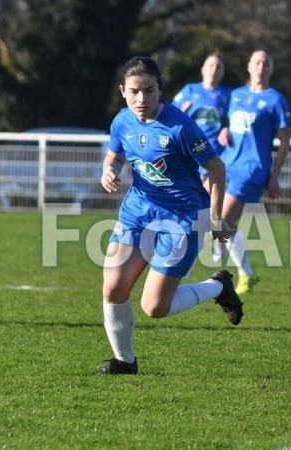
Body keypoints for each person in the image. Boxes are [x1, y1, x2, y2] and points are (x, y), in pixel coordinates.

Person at [99, 56, 243, 375]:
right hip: (138, 210)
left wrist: (217, 217)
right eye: (134, 91)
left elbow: (216, 169)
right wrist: (109, 171)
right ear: (123, 90)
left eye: (149, 91)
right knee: (113, 287)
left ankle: (219, 287)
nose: (142, 99)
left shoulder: (180, 126)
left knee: (155, 307)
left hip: (182, 217)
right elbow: (114, 156)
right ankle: (125, 361)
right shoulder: (122, 121)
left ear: (160, 90)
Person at [217, 49, 291, 294]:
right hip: (227, 162)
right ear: (249, 66)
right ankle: (221, 253)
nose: (261, 66)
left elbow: (285, 142)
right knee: (211, 216)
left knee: (224, 220)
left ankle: (246, 273)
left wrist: (274, 176)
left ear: (271, 68)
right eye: (258, 62)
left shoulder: (276, 100)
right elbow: (231, 125)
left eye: (266, 63)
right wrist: (224, 131)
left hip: (252, 169)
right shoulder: (236, 95)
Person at [172, 50, 232, 189]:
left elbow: (235, 121)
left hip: (217, 155)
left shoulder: (228, 94)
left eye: (218, 67)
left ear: (223, 72)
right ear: (203, 69)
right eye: (211, 65)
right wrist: (181, 112)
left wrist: (227, 128)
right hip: (191, 155)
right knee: (195, 202)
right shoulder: (189, 91)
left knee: (207, 201)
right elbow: (170, 117)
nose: (214, 70)